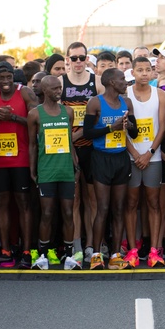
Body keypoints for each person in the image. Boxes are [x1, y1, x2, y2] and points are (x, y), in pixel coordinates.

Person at [82, 68, 138, 269]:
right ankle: (96, 254)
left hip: (120, 158)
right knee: (103, 208)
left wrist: (128, 126)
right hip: (101, 158)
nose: (125, 82)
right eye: (122, 79)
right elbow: (87, 133)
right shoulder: (95, 102)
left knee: (119, 208)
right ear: (111, 82)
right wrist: (110, 128)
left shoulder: (127, 103)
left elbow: (136, 133)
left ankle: (115, 254)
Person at [0, 61, 39, 267]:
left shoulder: (24, 92)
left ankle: (25, 250)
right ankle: (6, 249)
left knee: (23, 203)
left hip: (21, 157)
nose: (6, 81)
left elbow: (37, 121)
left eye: (9, 77)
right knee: (1, 203)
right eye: (2, 78)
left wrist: (15, 117)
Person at [28, 75, 80, 270]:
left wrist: (76, 166)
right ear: (44, 90)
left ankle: (68, 256)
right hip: (46, 170)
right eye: (55, 89)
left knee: (68, 212)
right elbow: (32, 145)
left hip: (65, 169)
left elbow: (69, 141)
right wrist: (32, 170)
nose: (59, 91)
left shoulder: (68, 111)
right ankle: (42, 255)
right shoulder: (35, 114)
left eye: (60, 88)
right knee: (47, 213)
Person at [124, 56, 165, 267]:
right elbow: (121, 129)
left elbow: (162, 127)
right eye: (139, 70)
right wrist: (134, 153)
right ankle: (132, 250)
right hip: (131, 157)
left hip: (154, 157)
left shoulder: (160, 95)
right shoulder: (125, 94)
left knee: (154, 204)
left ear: (152, 72)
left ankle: (154, 250)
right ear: (132, 72)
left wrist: (150, 152)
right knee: (131, 204)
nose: (143, 73)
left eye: (147, 70)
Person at [61, 41, 99, 261]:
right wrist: (72, 138)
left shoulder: (98, 83)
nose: (77, 62)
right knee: (73, 201)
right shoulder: (60, 83)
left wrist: (84, 132)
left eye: (81, 58)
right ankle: (75, 246)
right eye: (73, 58)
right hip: (69, 150)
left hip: (93, 150)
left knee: (93, 200)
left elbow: (105, 116)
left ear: (87, 59)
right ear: (67, 59)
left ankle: (92, 245)